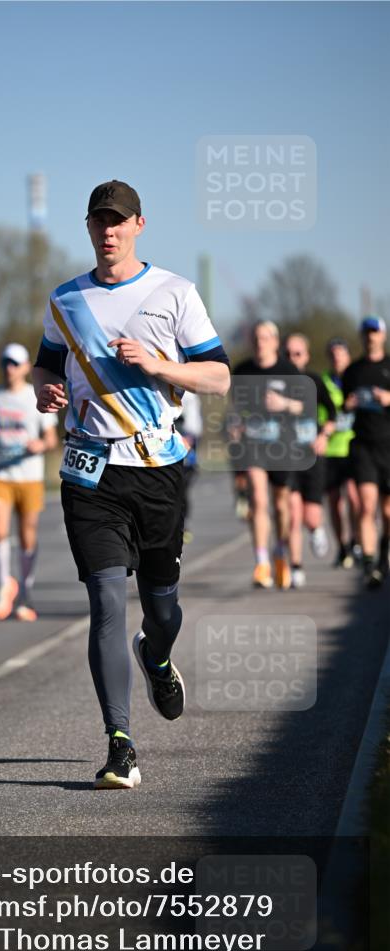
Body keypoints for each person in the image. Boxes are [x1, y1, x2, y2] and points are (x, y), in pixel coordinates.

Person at [33, 180, 230, 789]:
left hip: (158, 470)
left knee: (162, 606)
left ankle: (158, 653)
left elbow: (219, 376)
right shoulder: (66, 299)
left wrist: (159, 365)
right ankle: (120, 742)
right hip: (90, 471)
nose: (108, 231)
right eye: (99, 221)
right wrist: (46, 387)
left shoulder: (174, 291)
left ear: (139, 224)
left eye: (118, 221)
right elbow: (46, 361)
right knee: (105, 601)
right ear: (88, 226)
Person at [0, 342, 59, 621]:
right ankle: (4, 585)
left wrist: (40, 445)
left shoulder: (35, 397)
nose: (9, 368)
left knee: (27, 536)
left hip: (29, 476)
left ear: (27, 367)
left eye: (15, 363)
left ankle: (25, 593)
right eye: (5, 362)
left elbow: (51, 438)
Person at [230, 321, 303, 590]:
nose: (260, 342)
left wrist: (284, 403)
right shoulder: (243, 371)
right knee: (258, 500)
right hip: (254, 446)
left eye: (265, 338)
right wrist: (235, 425)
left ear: (274, 341)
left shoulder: (288, 370)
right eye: (256, 338)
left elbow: (305, 407)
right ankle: (262, 563)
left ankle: (281, 551)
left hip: (282, 445)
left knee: (281, 506)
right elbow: (235, 409)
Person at [284, 333, 336, 588]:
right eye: (288, 354)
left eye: (297, 354)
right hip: (287, 457)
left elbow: (333, 412)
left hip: (312, 455)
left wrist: (324, 435)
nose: (292, 359)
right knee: (293, 515)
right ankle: (296, 566)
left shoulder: (314, 381)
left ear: (306, 356)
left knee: (310, 517)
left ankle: (316, 530)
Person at [341, 316, 390, 589]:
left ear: (382, 335)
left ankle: (384, 556)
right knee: (366, 505)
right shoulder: (353, 371)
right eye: (366, 332)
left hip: (388, 444)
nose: (370, 336)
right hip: (363, 445)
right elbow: (343, 409)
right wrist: (347, 406)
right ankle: (370, 565)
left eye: (375, 332)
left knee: (387, 512)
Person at [322, 338, 359, 568]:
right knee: (335, 502)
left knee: (355, 498)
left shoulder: (357, 378)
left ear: (348, 356)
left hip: (354, 445)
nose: (338, 359)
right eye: (333, 355)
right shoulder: (323, 382)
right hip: (332, 448)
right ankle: (342, 546)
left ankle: (356, 540)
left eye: (341, 354)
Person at [174, 390, 202, 544]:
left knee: (183, 486)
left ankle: (184, 525)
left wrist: (190, 438)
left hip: (187, 440)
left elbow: (195, 422)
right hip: (169, 438)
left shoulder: (190, 393)